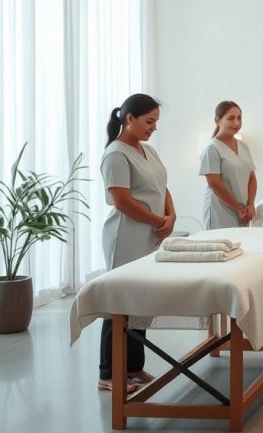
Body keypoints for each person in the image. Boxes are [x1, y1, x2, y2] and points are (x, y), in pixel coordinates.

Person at [99, 93, 176, 393]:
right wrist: (160, 221)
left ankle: (133, 366)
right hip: (127, 236)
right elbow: (122, 201)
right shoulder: (116, 154)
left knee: (141, 299)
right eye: (149, 121)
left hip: (150, 233)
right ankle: (108, 372)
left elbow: (162, 186)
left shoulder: (148, 151)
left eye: (155, 122)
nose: (153, 128)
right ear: (129, 119)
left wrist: (171, 214)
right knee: (118, 303)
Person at [200, 101, 257, 229]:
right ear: (218, 120)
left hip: (243, 210)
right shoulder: (212, 148)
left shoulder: (243, 146)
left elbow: (252, 178)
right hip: (220, 211)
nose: (237, 123)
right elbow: (214, 183)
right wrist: (238, 208)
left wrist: (250, 204)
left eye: (239, 118)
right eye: (231, 118)